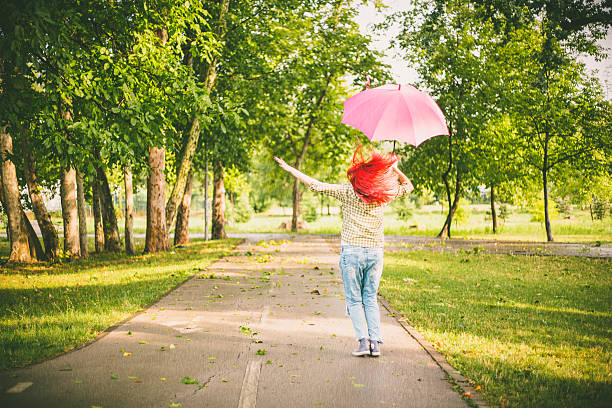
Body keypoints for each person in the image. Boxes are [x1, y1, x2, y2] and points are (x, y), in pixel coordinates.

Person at [274, 145, 413, 357]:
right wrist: (394, 169)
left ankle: (363, 342)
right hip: (375, 253)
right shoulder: (381, 196)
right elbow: (408, 186)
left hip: (353, 252)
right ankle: (375, 344)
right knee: (370, 298)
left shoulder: (347, 192)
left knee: (355, 299)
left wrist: (290, 169)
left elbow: (315, 185)